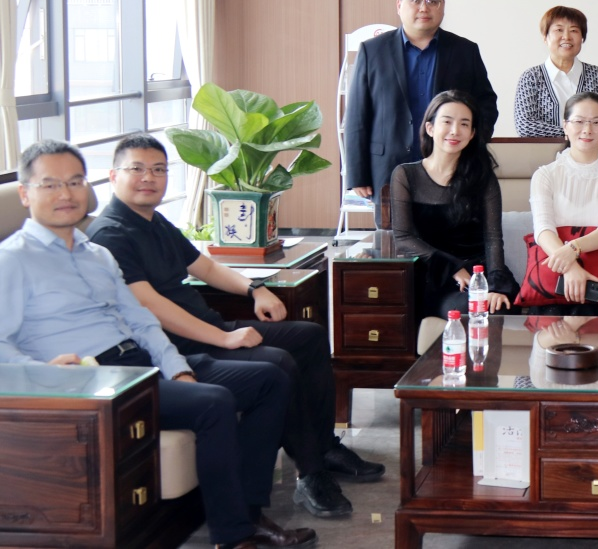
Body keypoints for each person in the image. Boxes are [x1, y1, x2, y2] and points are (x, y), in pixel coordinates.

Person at [0, 141, 315, 549]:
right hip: (91, 382)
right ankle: (233, 534)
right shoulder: (12, 260)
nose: (66, 193)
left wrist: (177, 367)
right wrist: (43, 374)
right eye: (51, 184)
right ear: (25, 193)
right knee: (214, 402)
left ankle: (250, 512)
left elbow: (141, 321)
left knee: (270, 379)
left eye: (75, 181)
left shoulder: (98, 255)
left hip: (141, 363)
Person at [87, 134, 383, 522]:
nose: (149, 178)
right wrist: (225, 338)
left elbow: (206, 267)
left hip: (208, 328)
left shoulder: (154, 222)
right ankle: (310, 473)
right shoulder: (110, 235)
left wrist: (254, 289)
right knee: (278, 361)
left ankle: (324, 447)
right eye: (137, 169)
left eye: (158, 169)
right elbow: (150, 307)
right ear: (113, 176)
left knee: (308, 336)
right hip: (179, 346)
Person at [345, 0, 499, 224]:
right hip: (388, 170)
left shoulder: (465, 51)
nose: (423, 8)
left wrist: (471, 144)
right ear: (399, 5)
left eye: (432, 1)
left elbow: (486, 104)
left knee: (449, 240)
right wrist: (357, 174)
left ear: (443, 6)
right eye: (415, 0)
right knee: (394, 242)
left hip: (451, 170)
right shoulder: (373, 51)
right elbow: (357, 116)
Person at [389, 90, 519, 317]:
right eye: (447, 122)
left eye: (464, 124)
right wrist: (452, 267)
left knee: (498, 306)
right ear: (430, 128)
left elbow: (492, 238)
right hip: (437, 274)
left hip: (480, 272)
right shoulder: (405, 175)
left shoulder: (483, 177)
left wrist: (496, 285)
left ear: (472, 134)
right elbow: (403, 238)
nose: (455, 131)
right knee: (470, 309)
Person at [529, 91, 598, 313]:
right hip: (554, 279)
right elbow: (543, 230)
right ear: (565, 126)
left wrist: (573, 248)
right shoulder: (545, 175)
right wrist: (571, 268)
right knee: (550, 325)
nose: (587, 129)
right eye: (579, 121)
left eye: (596, 122)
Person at [514, 6, 598, 138]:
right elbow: (525, 126)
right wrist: (577, 133)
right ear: (545, 37)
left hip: (593, 151)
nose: (566, 37)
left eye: (574, 30)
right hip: (545, 152)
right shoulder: (531, 77)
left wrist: (579, 136)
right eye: (559, 30)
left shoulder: (597, 76)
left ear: (582, 38)